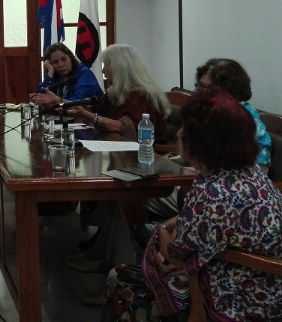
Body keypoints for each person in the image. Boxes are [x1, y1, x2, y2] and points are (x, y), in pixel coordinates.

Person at [102, 89, 282, 321]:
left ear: (201, 142)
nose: (178, 133)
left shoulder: (210, 192)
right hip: (270, 287)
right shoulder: (250, 172)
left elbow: (176, 256)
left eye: (185, 128)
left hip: (238, 297)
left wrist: (163, 231)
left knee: (119, 275)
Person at [63, 44, 171, 273]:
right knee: (114, 193)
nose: (104, 72)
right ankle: (103, 255)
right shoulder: (116, 94)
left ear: (121, 68)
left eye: (107, 66)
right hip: (127, 161)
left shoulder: (141, 96)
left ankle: (117, 267)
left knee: (120, 196)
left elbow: (126, 129)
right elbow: (97, 111)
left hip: (149, 166)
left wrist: (88, 116)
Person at [195, 58, 271, 173]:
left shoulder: (240, 116)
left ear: (230, 89)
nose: (203, 92)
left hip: (249, 176)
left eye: (210, 88)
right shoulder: (212, 110)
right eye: (201, 86)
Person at [31, 43, 104, 106]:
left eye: (64, 59)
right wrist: (50, 73)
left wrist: (57, 100)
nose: (61, 65)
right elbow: (42, 97)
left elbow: (79, 102)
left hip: (90, 120)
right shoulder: (55, 77)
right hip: (67, 119)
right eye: (55, 62)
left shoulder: (84, 73)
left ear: (70, 58)